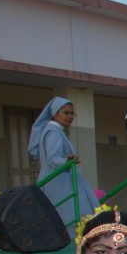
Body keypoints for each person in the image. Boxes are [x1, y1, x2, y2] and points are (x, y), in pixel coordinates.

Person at [27, 97, 100, 231]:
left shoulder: (54, 131)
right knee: (69, 214)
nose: (70, 117)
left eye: (72, 114)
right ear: (55, 113)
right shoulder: (54, 133)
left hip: (58, 180)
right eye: (66, 113)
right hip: (58, 182)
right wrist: (66, 161)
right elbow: (52, 158)